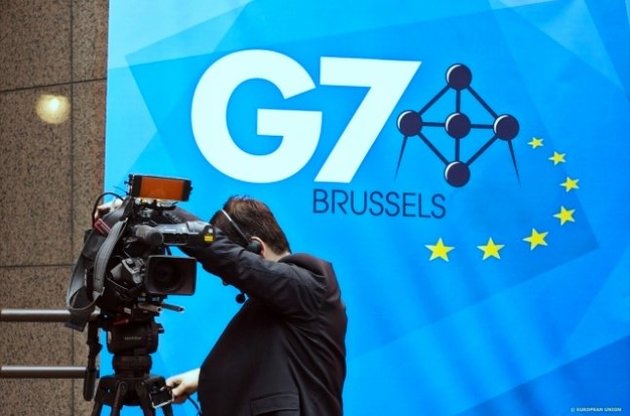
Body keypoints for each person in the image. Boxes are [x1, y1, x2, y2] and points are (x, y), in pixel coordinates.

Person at [163, 195, 347, 415]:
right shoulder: (280, 303)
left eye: (227, 274)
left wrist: (158, 210)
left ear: (256, 248)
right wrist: (202, 377)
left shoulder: (310, 284)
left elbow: (225, 256)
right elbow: (273, 364)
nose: (226, 282)